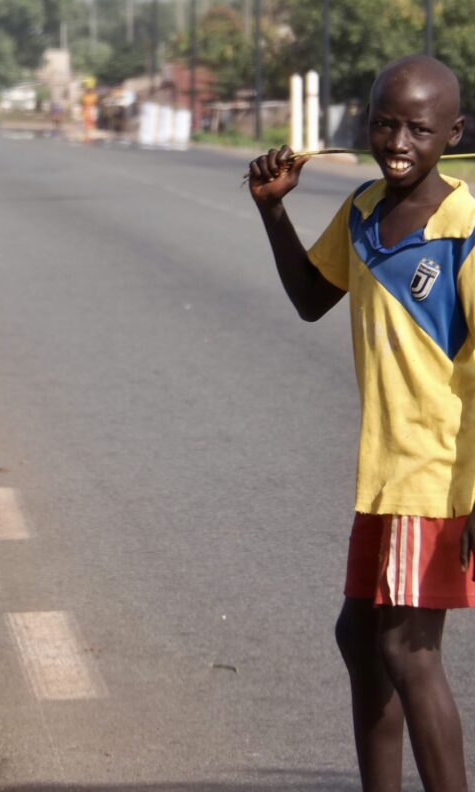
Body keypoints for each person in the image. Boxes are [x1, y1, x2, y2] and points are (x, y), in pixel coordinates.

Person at [248, 55, 475, 791]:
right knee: (360, 636)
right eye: (384, 122)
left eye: (417, 127)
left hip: (436, 472)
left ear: (453, 133)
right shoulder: (366, 210)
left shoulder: (465, 230)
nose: (397, 139)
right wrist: (272, 209)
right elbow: (313, 297)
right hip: (384, 471)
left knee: (409, 651)